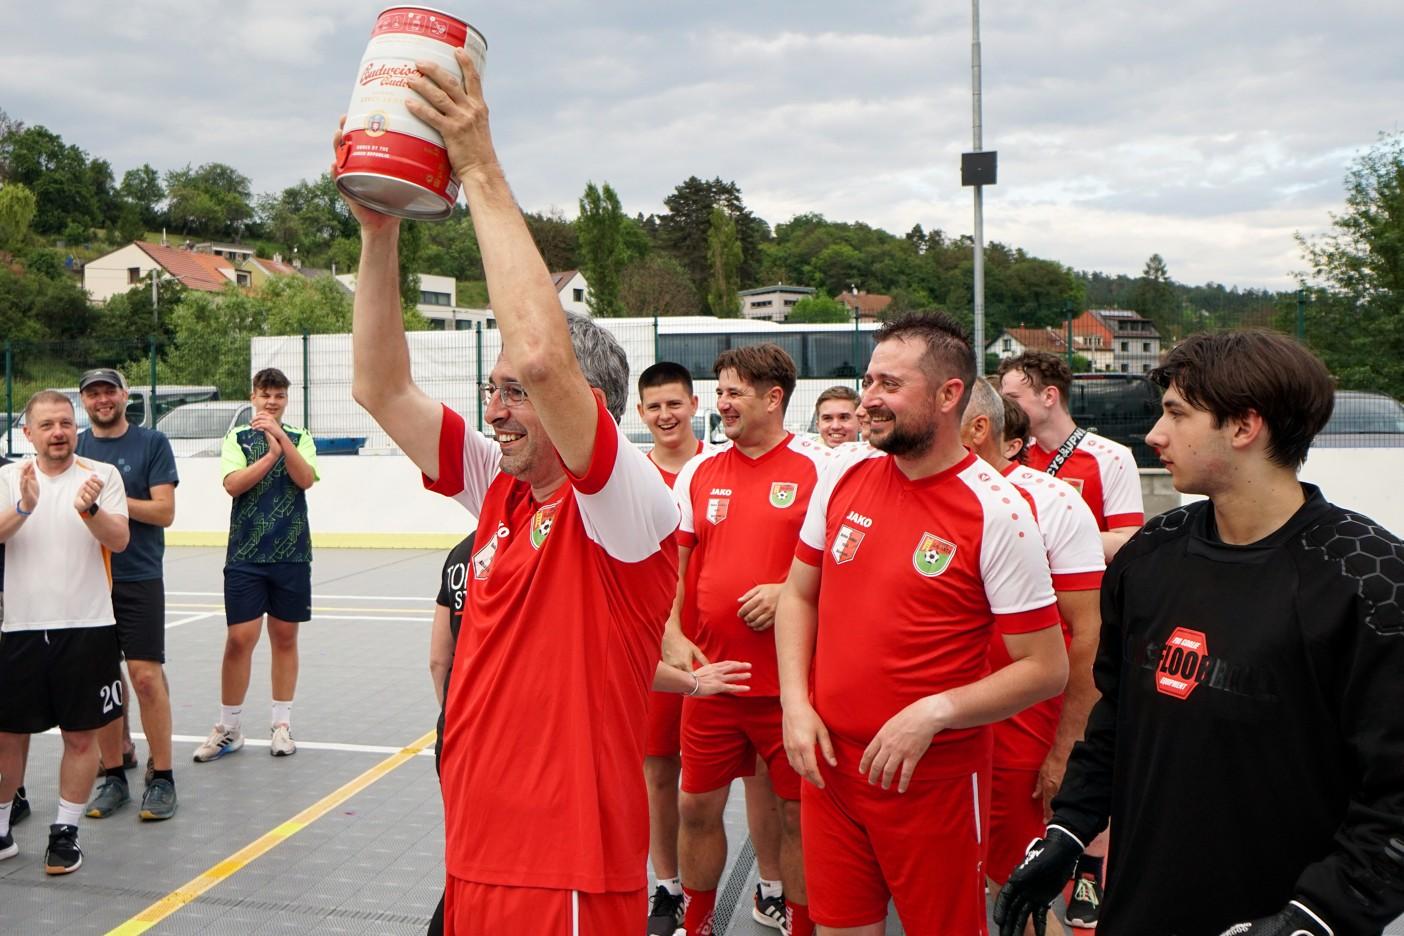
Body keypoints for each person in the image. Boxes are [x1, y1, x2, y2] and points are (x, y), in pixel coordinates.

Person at [341, 48, 683, 934]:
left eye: (515, 392)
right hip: (475, 850)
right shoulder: (501, 487)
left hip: (563, 872)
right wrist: (381, 233)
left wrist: (477, 166)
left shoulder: (628, 509)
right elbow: (379, 387)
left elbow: (541, 354)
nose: (495, 406)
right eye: (489, 388)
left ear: (585, 402)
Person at [994, 331, 1404, 936]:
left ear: (1244, 426)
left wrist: (1318, 915)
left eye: (1177, 414)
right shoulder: (1149, 556)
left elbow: (1394, 796)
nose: (1154, 435)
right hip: (1139, 907)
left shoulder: (1370, 580)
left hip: (1278, 912)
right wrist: (1068, 831)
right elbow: (1116, 718)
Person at [777, 312, 1067, 936]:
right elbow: (798, 596)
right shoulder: (844, 474)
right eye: (869, 381)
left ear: (947, 395)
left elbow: (1046, 668)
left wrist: (934, 711)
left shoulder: (998, 511)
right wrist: (794, 705)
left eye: (890, 385)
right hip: (830, 768)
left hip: (931, 780)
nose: (868, 400)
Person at [667, 344, 828, 936]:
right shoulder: (700, 471)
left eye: (734, 392)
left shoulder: (819, 468)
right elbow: (675, 566)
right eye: (720, 392)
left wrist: (788, 589)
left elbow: (846, 564)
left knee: (796, 815)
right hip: (713, 681)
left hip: (789, 690)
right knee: (695, 806)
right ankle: (698, 923)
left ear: (773, 397)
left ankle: (802, 924)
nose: (723, 404)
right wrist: (672, 632)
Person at [998, 350, 1143, 919]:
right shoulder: (1011, 454)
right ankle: (1030, 858)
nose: (1003, 405)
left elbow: (1129, 541)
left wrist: (1063, 534)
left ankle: (1090, 873)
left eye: (1012, 395)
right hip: (1032, 624)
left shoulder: (1109, 456)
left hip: (1092, 617)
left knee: (1087, 742)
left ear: (1048, 395)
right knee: (1030, 759)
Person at [959, 380, 1104, 936]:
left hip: (1020, 735)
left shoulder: (1050, 501)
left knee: (1017, 892)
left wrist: (1067, 748)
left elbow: (1089, 633)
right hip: (938, 731)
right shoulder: (912, 491)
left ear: (978, 428)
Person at [0, 390, 130, 874]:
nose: (58, 432)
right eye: (47, 425)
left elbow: (120, 539)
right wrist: (24, 507)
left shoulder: (102, 476)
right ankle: (1, 832)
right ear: (28, 433)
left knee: (79, 736)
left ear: (75, 429)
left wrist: (90, 510)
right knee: (7, 735)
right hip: (21, 627)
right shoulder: (9, 478)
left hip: (87, 625)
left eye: (65, 423)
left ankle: (64, 834)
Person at [193, 367, 318, 763]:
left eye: (278, 395)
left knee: (285, 637)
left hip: (291, 554)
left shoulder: (301, 437)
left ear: (286, 399)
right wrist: (270, 456)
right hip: (245, 555)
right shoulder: (237, 438)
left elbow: (305, 479)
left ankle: (281, 725)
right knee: (239, 639)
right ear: (253, 397)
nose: (271, 401)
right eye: (265, 394)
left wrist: (283, 442)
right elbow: (233, 484)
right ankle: (229, 728)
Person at [74, 368, 180, 822]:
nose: (102, 400)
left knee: (145, 677)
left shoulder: (151, 443)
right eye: (93, 394)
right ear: (84, 400)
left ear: (124, 396)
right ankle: (114, 774)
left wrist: (108, 501)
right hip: (87, 578)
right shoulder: (75, 446)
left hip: (138, 576)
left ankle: (163, 777)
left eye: (109, 391)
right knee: (102, 680)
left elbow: (164, 511)